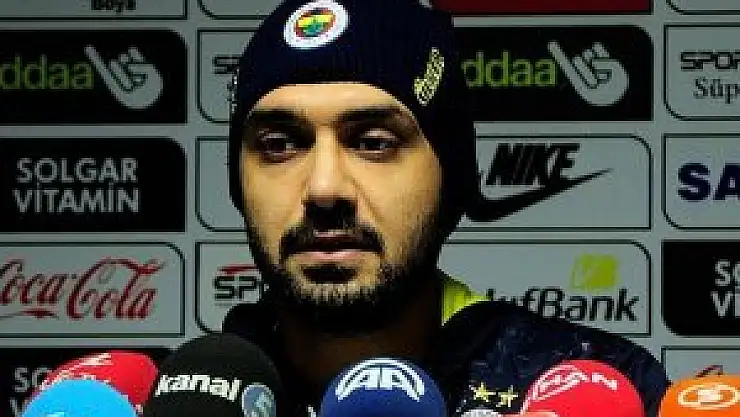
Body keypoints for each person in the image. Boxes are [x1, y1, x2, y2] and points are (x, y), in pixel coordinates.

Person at [222, 0, 670, 415]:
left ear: (451, 177)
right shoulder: (192, 398)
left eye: (374, 142)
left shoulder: (601, 388)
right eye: (278, 145)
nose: (324, 188)